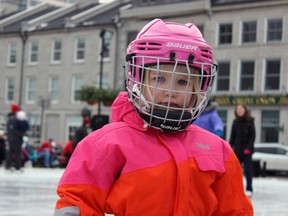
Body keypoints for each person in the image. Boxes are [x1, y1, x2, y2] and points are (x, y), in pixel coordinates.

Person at [54, 19, 253, 215]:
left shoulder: (218, 151)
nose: (170, 91)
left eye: (183, 82)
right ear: (137, 80)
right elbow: (79, 201)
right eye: (159, 78)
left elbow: (235, 210)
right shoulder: (105, 144)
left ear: (199, 88)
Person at [229, 104, 256, 198]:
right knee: (234, 170)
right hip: (237, 150)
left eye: (241, 109)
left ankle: (249, 189)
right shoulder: (235, 122)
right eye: (238, 109)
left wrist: (248, 148)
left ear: (245, 110)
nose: (239, 110)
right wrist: (229, 148)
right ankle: (234, 188)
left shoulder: (250, 121)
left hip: (247, 151)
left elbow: (252, 136)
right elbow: (232, 137)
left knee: (248, 170)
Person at [5, 107, 30, 172]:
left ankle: (8, 166)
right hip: (17, 138)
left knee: (10, 152)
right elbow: (21, 128)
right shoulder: (16, 119)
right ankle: (17, 167)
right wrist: (21, 134)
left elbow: (11, 129)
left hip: (11, 138)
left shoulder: (10, 118)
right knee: (18, 153)